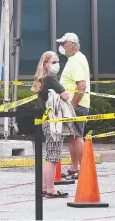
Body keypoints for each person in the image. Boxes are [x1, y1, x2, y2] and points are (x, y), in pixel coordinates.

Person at [32, 51, 71, 198]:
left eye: (57, 62)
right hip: (53, 121)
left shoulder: (42, 78)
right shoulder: (50, 79)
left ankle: (45, 187)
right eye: (53, 62)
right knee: (53, 157)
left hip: (46, 120)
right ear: (46, 64)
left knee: (49, 155)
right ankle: (50, 189)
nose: (57, 65)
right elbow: (65, 96)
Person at [57, 33, 90, 179]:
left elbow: (81, 85)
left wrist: (73, 104)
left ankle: (84, 169)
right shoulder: (74, 59)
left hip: (77, 106)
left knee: (77, 137)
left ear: (71, 44)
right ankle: (74, 167)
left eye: (64, 43)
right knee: (72, 137)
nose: (62, 46)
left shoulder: (76, 60)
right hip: (74, 105)